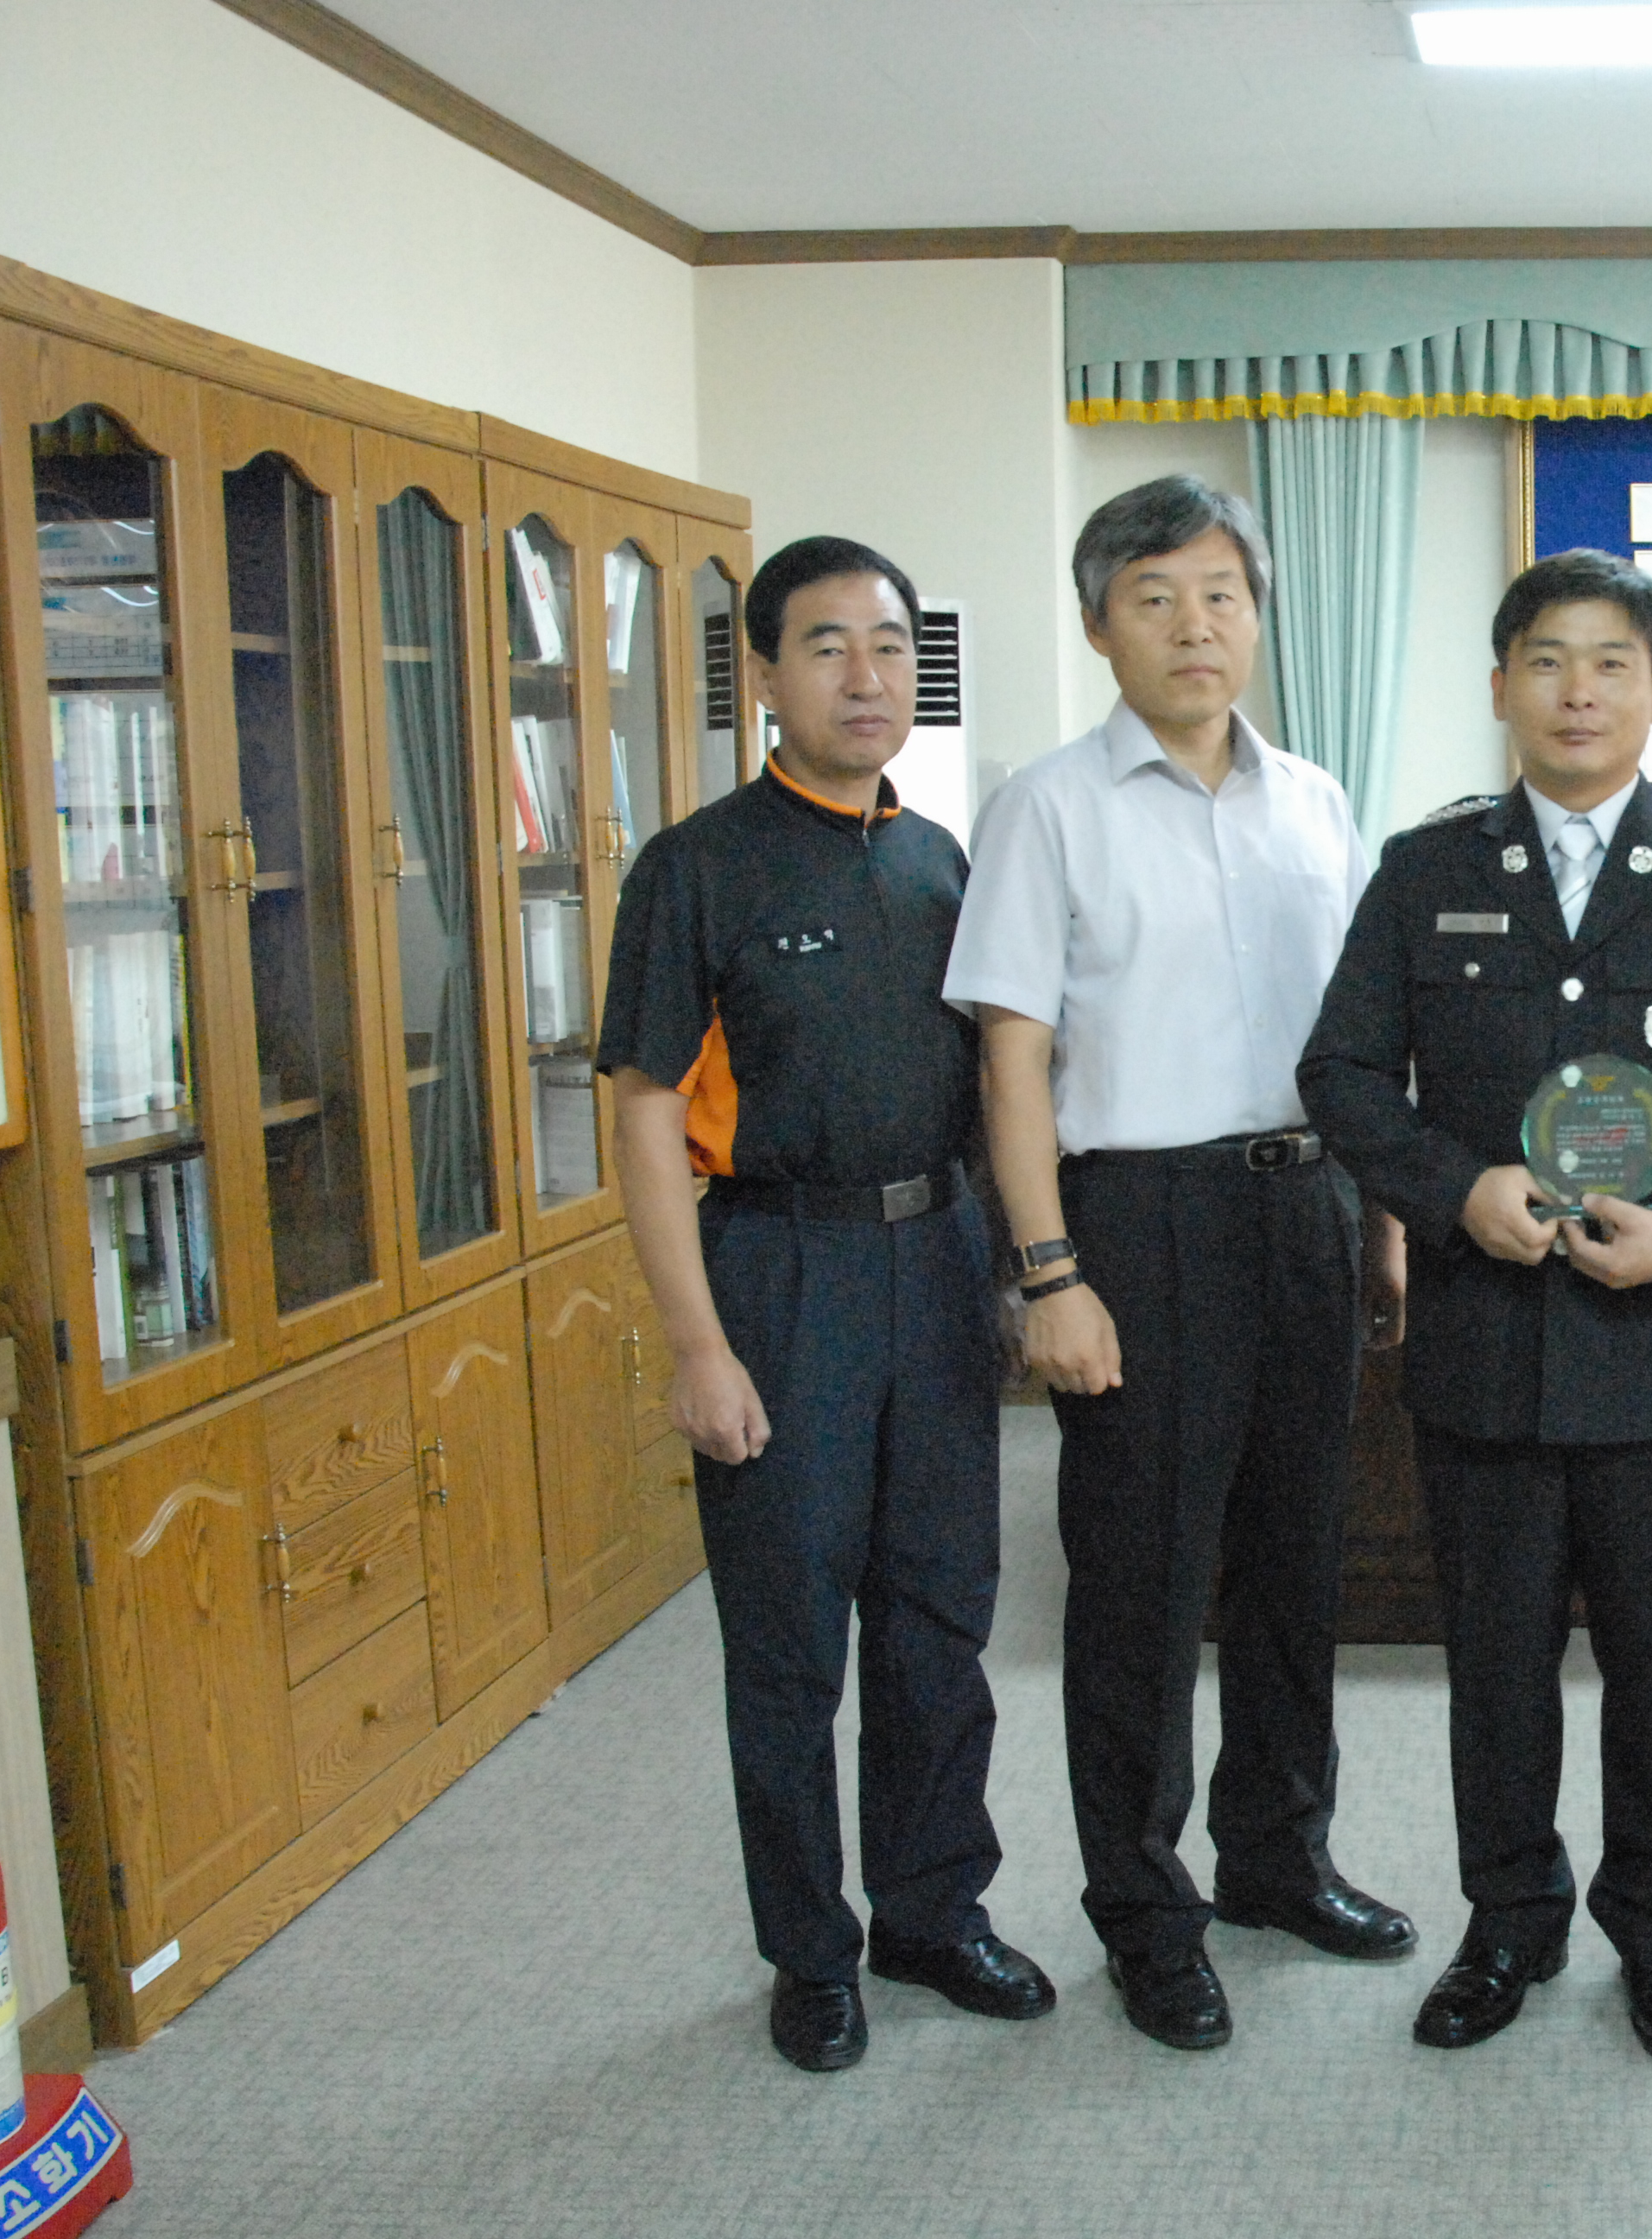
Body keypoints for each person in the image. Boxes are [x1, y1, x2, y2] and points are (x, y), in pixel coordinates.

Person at [1299, 549, 1652, 2065]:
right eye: (1546, 661)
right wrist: (1450, 1188)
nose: (1577, 692)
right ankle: (1509, 1922)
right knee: (1496, 1666)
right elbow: (1343, 1072)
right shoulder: (1429, 869)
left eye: (1610, 665)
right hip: (1490, 1341)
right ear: (1500, 688)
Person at [941, 476, 1413, 2053]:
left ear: (1258, 618)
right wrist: (1049, 1273)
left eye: (1221, 594)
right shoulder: (1047, 808)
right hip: (1136, 1226)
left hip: (1308, 1210)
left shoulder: (1318, 802)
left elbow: (1360, 1044)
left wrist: (1381, 1219)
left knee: (1295, 1566)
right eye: (1154, 597)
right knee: (1141, 1590)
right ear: (1100, 627)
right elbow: (1012, 1062)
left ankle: (1279, 1859)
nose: (1194, 625)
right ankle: (1146, 1913)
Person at [599, 536, 1053, 2073]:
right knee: (791, 1641)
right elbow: (644, 1111)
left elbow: (997, 1084)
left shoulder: (944, 863)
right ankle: (811, 1951)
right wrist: (697, 1343)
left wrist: (1017, 1272)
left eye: (892, 645)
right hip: (780, 1272)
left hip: (941, 1266)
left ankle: (933, 1911)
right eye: (828, 646)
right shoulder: (699, 865)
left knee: (939, 1619)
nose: (869, 676)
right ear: (766, 674)